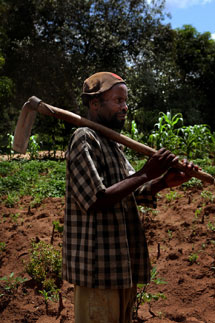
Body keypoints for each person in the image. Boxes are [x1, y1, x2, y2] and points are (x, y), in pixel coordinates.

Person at [62, 72, 197, 323]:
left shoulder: (113, 143)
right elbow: (96, 199)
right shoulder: (84, 139)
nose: (125, 107)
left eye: (126, 101)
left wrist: (163, 181)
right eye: (117, 101)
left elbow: (131, 192)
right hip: (98, 271)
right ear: (95, 104)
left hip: (121, 267)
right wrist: (146, 172)